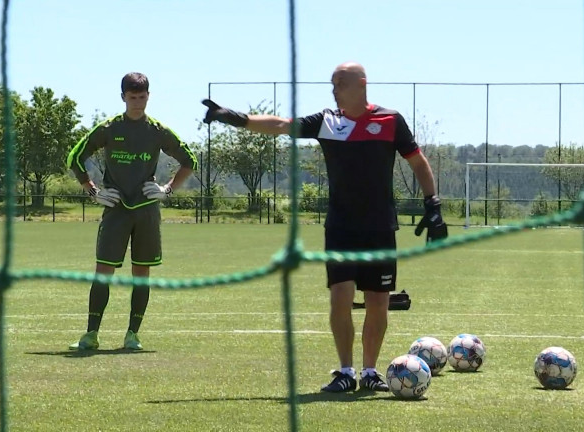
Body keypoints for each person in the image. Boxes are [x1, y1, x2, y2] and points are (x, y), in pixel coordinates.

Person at [201, 62, 447, 392]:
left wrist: (433, 204)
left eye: (339, 84)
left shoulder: (391, 120)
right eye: (332, 85)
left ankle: (370, 372)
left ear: (361, 84)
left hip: (379, 229)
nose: (333, 90)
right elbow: (282, 125)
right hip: (342, 228)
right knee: (341, 298)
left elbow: (418, 161)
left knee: (378, 302)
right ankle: (346, 371)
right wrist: (238, 118)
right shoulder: (327, 122)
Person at [66, 72, 198, 350]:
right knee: (103, 272)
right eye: (132, 97)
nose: (138, 103)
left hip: (146, 210)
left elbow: (189, 160)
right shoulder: (109, 128)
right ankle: (91, 334)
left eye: (142, 97)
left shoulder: (157, 131)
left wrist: (167, 189)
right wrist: (93, 191)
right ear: (123, 97)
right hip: (115, 209)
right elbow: (74, 158)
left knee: (142, 273)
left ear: (148, 96)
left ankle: (132, 335)